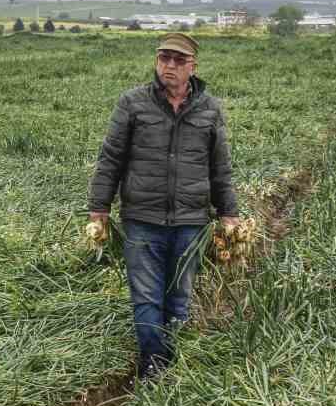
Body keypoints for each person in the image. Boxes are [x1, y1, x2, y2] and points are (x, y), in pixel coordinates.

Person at [87, 32, 238, 378]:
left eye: (178, 60)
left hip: (191, 220)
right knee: (145, 295)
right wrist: (99, 207)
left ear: (192, 67)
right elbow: (111, 158)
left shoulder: (209, 109)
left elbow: (220, 168)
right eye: (164, 58)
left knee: (179, 295)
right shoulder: (133, 103)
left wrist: (229, 213)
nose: (169, 65)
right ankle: (153, 362)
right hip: (142, 217)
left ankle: (171, 353)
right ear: (156, 61)